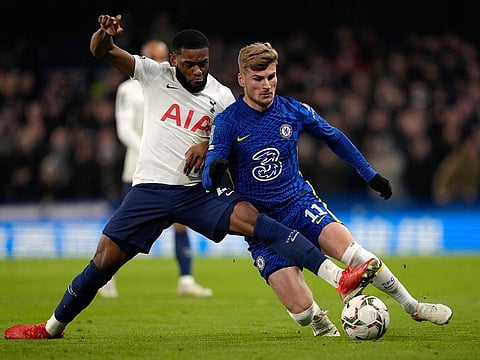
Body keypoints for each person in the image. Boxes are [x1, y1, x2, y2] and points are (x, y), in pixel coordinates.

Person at [4, 15, 376, 340]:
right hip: (149, 189)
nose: (197, 71)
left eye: (203, 63)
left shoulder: (222, 96)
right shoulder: (152, 75)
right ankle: (51, 327)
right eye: (189, 65)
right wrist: (105, 35)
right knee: (103, 261)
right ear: (173, 61)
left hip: (198, 192)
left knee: (259, 223)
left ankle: (337, 279)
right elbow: (102, 52)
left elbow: (234, 131)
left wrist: (205, 142)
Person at [202, 41, 453, 330]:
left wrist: (369, 174)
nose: (267, 85)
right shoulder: (228, 122)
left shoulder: (292, 110)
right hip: (262, 223)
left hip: (298, 203)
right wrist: (216, 168)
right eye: (258, 79)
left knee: (356, 255)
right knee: (302, 313)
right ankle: (321, 321)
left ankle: (414, 306)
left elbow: (333, 137)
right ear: (242, 79)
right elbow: (209, 179)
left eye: (271, 77)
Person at [99, 39, 212, 298]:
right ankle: (106, 276)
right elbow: (124, 128)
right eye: (153, 56)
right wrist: (147, 149)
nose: (159, 62)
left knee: (182, 222)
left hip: (174, 167)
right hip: (139, 166)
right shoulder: (129, 89)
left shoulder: (177, 88)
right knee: (125, 225)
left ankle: (186, 279)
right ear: (143, 57)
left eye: (163, 57)